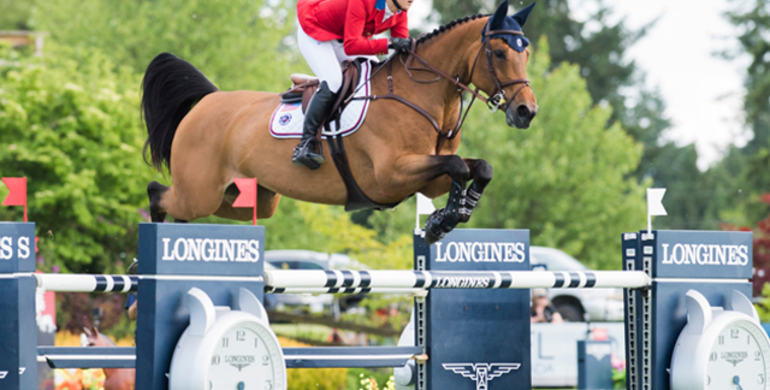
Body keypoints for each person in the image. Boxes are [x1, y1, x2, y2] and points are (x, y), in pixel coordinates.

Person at [292, 0, 415, 170]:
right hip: (316, 31)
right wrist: (390, 44)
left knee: (376, 75)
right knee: (334, 81)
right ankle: (305, 145)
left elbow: (401, 46)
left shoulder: (400, 12)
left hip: (344, 39)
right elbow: (352, 46)